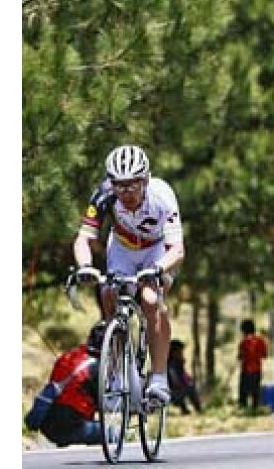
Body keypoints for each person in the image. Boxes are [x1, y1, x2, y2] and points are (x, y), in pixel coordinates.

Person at [73, 144, 185, 405]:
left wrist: (157, 270)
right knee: (109, 292)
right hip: (123, 247)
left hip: (158, 250)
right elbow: (83, 239)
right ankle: (116, 368)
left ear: (145, 180)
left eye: (132, 185)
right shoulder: (103, 195)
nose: (126, 192)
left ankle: (159, 378)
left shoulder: (162, 197)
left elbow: (178, 250)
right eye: (119, 185)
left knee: (150, 299)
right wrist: (85, 266)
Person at [37, 322, 106, 447]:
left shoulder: (67, 356)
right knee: (114, 433)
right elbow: (103, 401)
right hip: (73, 426)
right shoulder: (97, 367)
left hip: (49, 425)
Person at [238, 319, 268, 411]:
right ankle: (255, 408)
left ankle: (243, 408)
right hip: (257, 369)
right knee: (255, 391)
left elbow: (240, 356)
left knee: (243, 392)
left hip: (246, 370)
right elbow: (264, 355)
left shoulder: (243, 342)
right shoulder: (260, 341)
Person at [167, 339, 204, 415]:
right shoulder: (170, 366)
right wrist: (187, 383)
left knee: (189, 386)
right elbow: (175, 382)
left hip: (173, 393)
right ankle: (198, 409)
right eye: (180, 352)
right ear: (174, 352)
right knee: (190, 388)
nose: (181, 354)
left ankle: (185, 410)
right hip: (171, 394)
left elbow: (185, 378)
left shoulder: (177, 364)